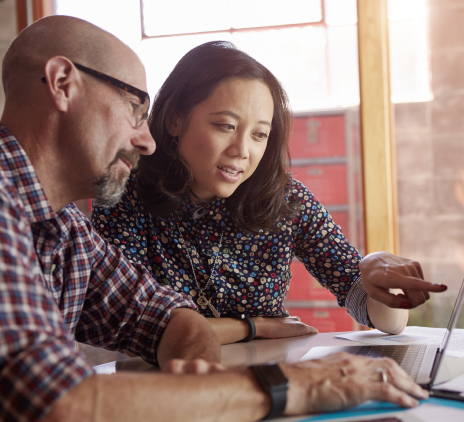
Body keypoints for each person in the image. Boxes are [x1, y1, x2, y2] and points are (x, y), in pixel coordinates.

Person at [0, 14, 433, 422]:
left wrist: (207, 396)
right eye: (134, 107)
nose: (144, 139)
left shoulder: (65, 230)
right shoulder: (23, 203)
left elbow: (165, 318)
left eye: (260, 134)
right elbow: (55, 400)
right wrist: (283, 379)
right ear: (61, 83)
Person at [92, 41, 448, 345]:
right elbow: (126, 323)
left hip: (267, 386)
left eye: (259, 134)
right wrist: (252, 328)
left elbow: (384, 321)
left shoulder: (285, 199)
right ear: (174, 120)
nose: (242, 150)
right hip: (163, 389)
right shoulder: (127, 194)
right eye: (226, 126)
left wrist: (373, 272)